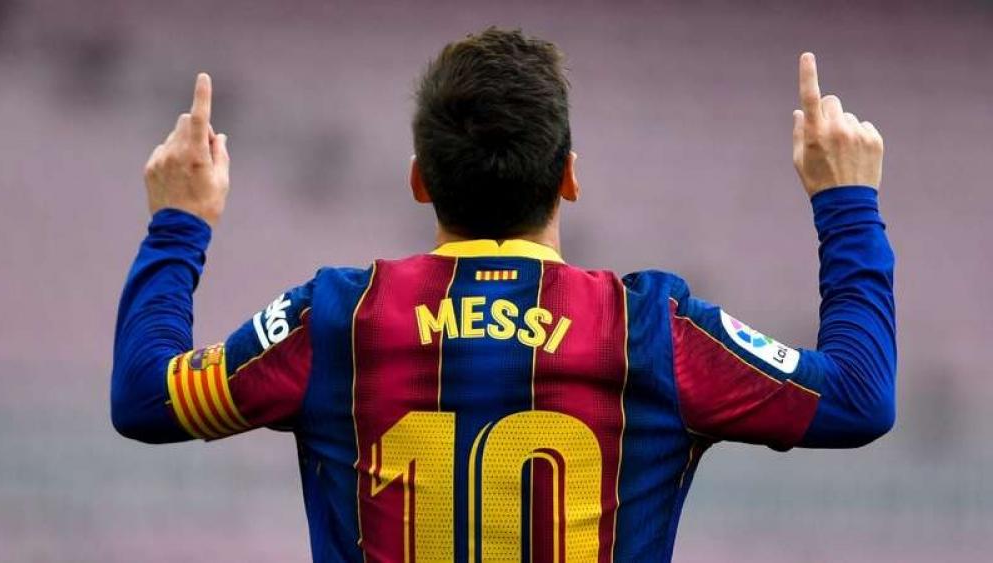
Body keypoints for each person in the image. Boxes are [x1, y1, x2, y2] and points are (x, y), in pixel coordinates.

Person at [111, 28, 894, 562]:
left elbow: (147, 394)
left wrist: (180, 223)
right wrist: (847, 203)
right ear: (569, 176)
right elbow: (859, 396)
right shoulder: (649, 330)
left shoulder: (338, 319)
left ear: (420, 181)